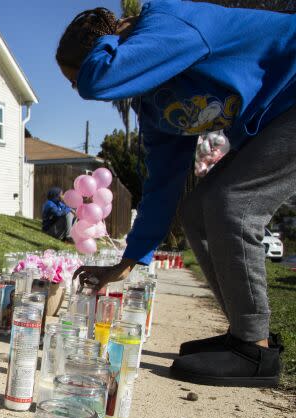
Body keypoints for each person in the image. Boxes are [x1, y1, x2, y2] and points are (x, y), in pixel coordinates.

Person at [58, 2, 295, 386]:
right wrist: (127, 262)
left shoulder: (171, 23)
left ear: (111, 46)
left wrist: (103, 44)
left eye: (74, 76)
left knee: (230, 204)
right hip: (274, 116)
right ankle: (244, 334)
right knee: (197, 209)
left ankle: (255, 350)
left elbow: (95, 80)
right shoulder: (155, 105)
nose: (77, 87)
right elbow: (162, 189)